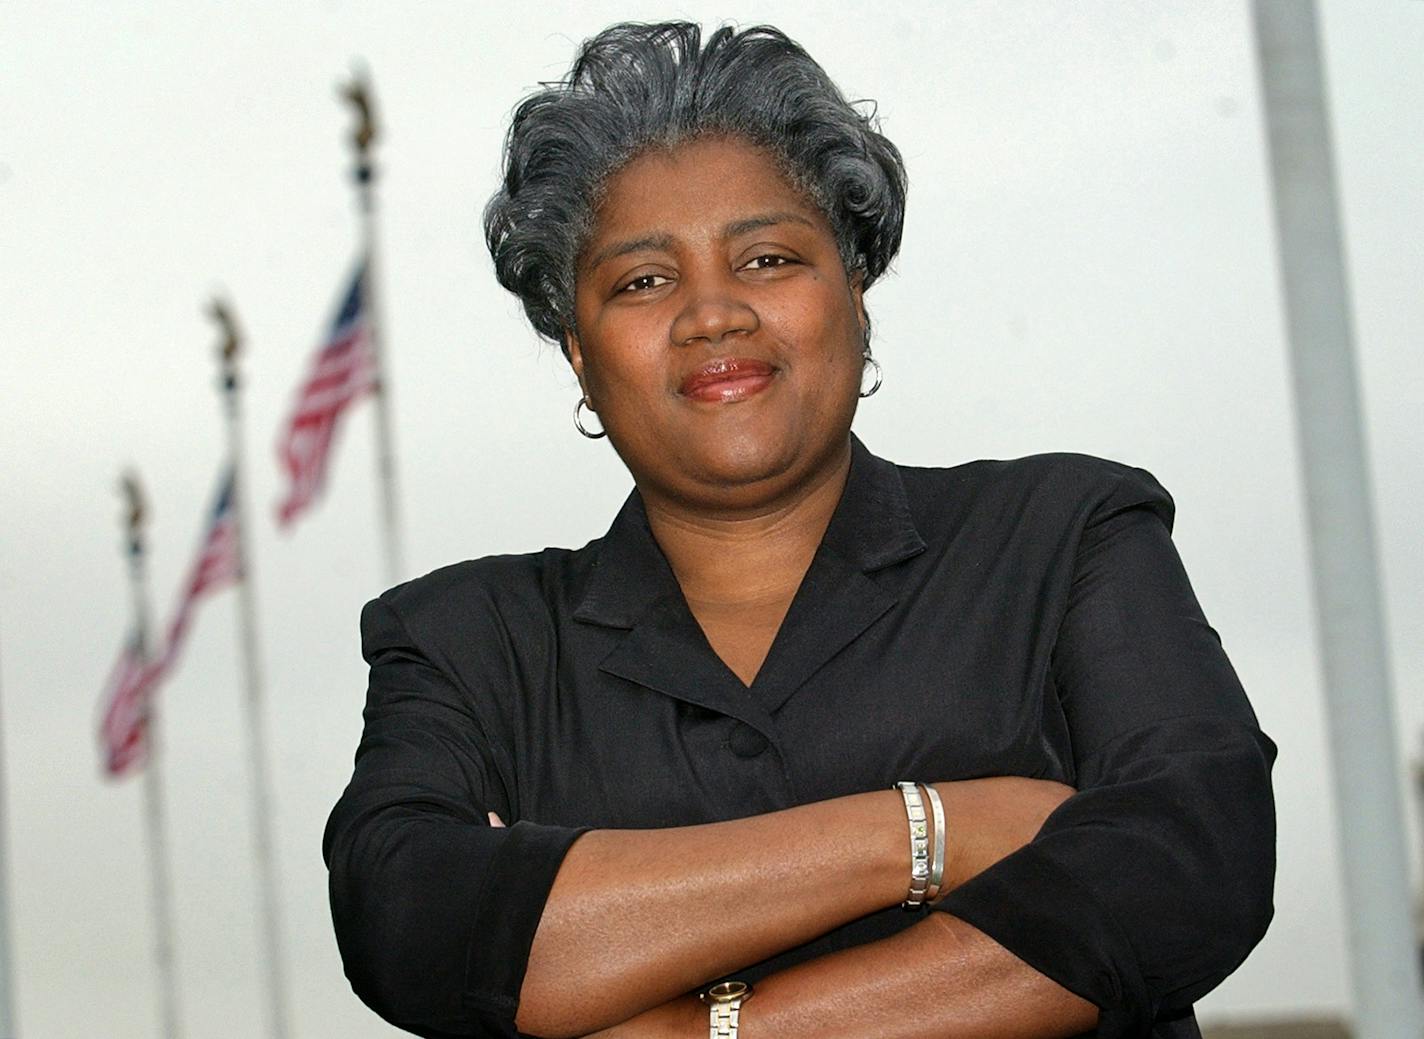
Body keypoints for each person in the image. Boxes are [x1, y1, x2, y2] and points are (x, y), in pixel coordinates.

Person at [324, 21, 1276, 1039]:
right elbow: (411, 919)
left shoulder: (1063, 539)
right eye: (642, 280)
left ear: (854, 293)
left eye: (768, 258)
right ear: (577, 354)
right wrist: (926, 831)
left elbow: (1190, 855)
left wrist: (715, 1027)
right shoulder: (467, 643)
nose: (712, 313)